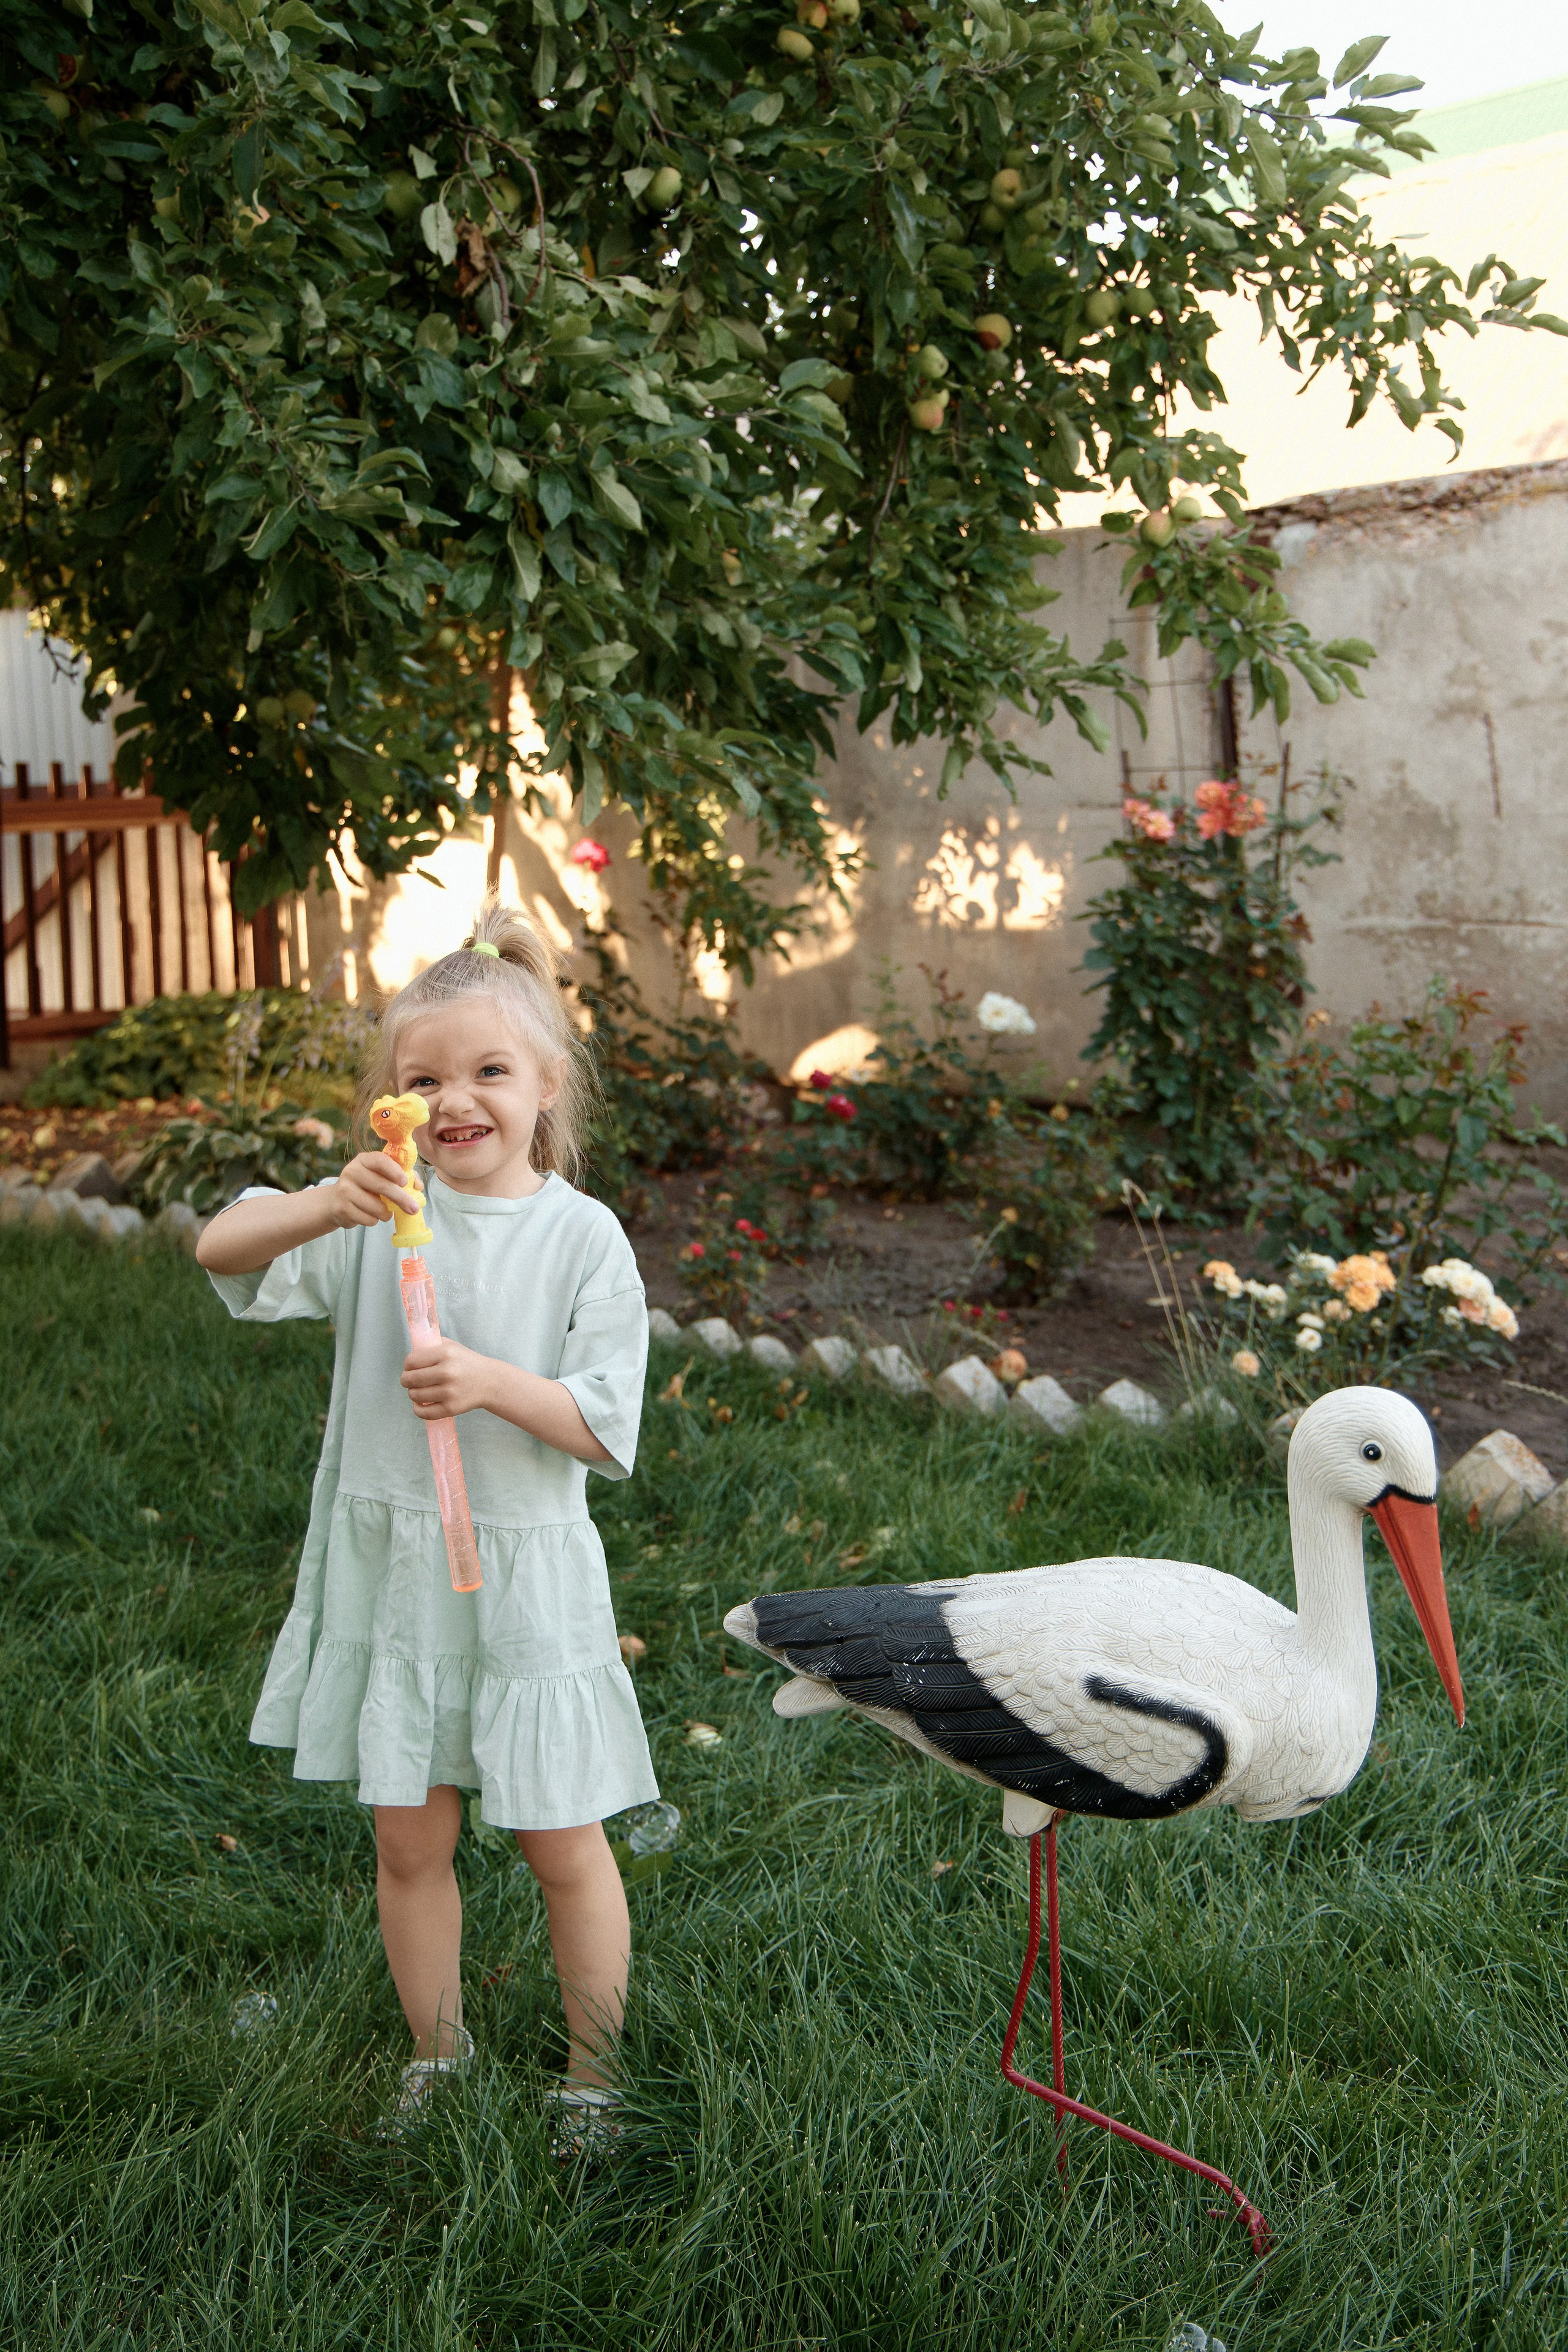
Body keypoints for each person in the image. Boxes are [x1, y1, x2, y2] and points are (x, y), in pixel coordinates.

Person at [197, 904, 655, 2146]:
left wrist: (491, 1382)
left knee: (561, 1843)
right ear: (390, 1102)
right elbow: (218, 1250)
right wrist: (321, 1203)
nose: (456, 1100)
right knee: (409, 1843)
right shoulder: (374, 1216)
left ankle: (594, 2080)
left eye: (489, 1071)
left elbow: (605, 1425)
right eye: (425, 1078)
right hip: (400, 1579)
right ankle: (438, 2057)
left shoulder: (581, 1238)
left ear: (546, 1085)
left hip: (524, 1584)